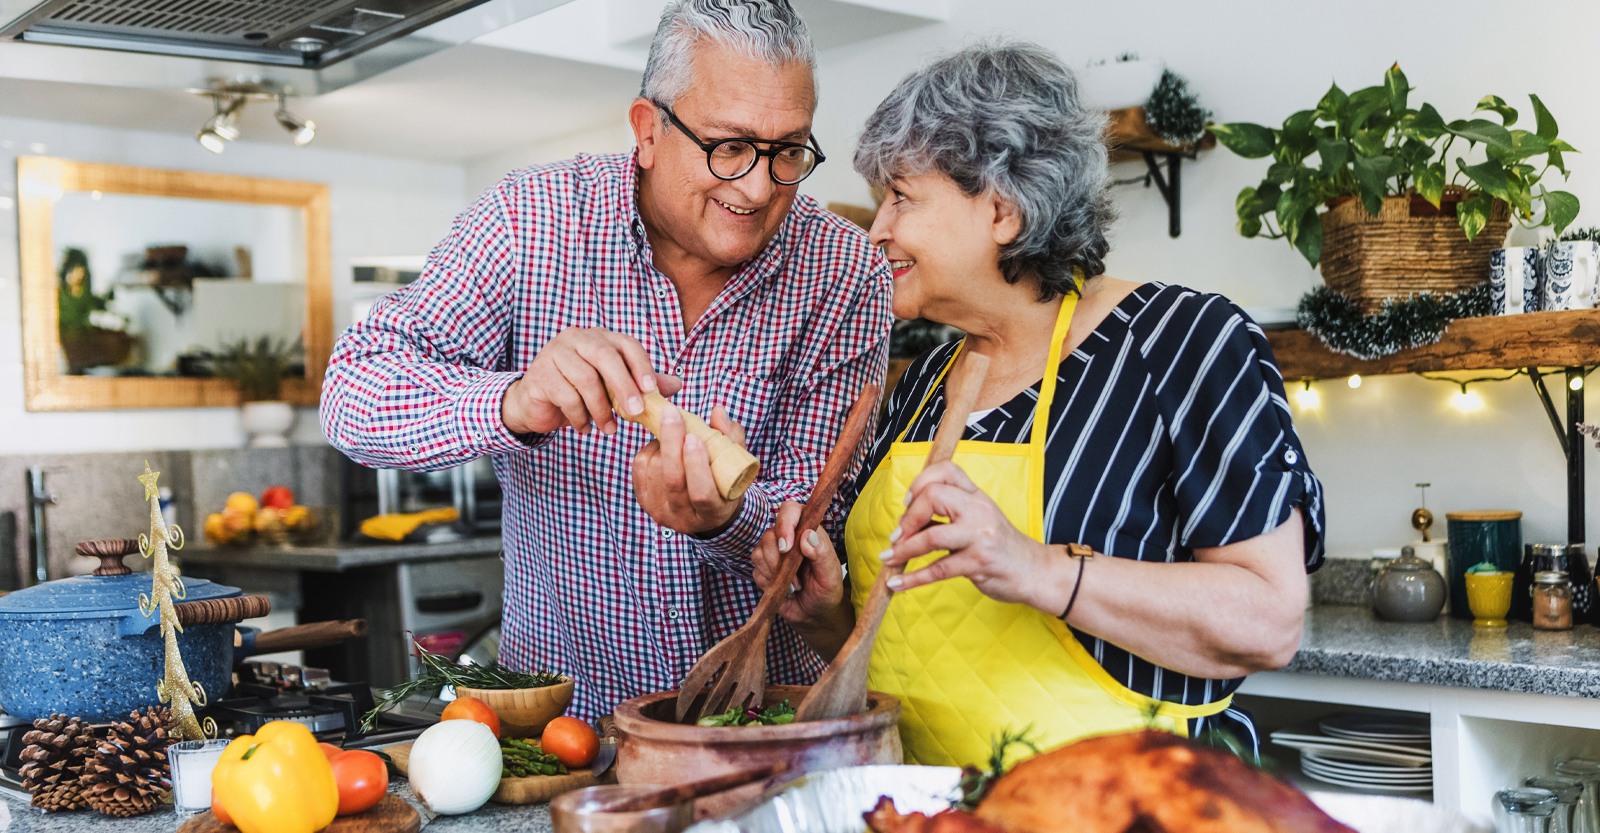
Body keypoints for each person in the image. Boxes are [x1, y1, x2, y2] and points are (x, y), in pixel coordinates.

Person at [752, 41, 1325, 767]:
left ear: (1002, 207)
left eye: (901, 196)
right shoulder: (928, 380)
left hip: (1126, 804)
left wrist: (1040, 569)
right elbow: (911, 647)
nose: (879, 231)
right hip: (927, 810)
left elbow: (1269, 619)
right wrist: (829, 611)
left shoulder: (1184, 343)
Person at [321, 0, 891, 720]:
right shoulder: (530, 221)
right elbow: (352, 391)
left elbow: (819, 524)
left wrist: (725, 522)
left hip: (767, 719)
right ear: (648, 131)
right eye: (730, 146)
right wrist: (514, 401)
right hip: (563, 731)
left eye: (789, 152)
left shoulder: (843, 273)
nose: (756, 186)